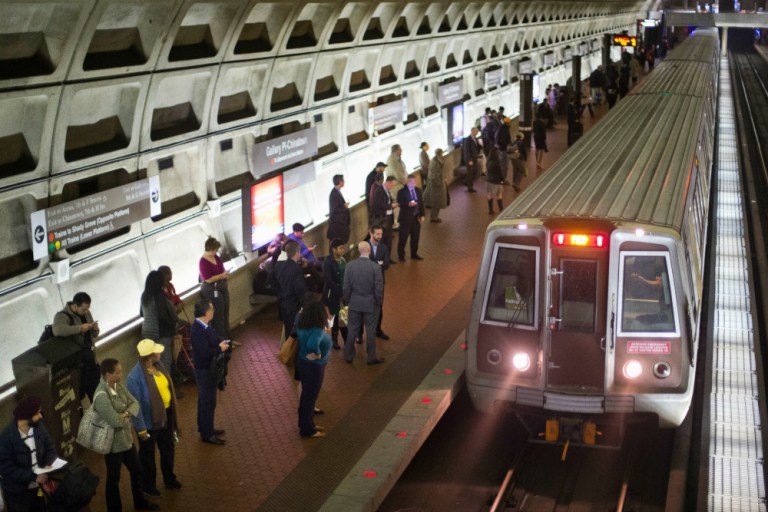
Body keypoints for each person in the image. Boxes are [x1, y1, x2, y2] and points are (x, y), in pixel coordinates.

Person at [93, 358, 159, 511]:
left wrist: (125, 414)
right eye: (117, 373)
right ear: (107, 375)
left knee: (137, 470)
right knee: (113, 479)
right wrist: (126, 415)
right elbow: (115, 421)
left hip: (126, 441)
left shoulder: (118, 386)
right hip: (112, 445)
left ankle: (140, 502)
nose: (121, 375)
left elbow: (135, 403)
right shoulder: (102, 396)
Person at [126, 340, 182, 497]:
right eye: (156, 352)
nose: (160, 353)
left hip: (166, 416)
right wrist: (141, 429)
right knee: (148, 455)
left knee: (168, 448)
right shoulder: (134, 378)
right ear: (149, 357)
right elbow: (135, 407)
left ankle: (169, 478)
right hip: (149, 423)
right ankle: (148, 485)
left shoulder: (159, 366)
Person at [0, 397, 57, 512]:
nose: (40, 416)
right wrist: (34, 477)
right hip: (18, 494)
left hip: (38, 488)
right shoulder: (6, 438)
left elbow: (50, 448)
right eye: (37, 413)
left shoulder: (39, 427)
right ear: (27, 415)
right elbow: (6, 469)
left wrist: (47, 465)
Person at [190, 301, 229, 445]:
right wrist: (219, 349)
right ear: (206, 312)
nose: (213, 311)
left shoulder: (206, 326)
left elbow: (214, 339)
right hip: (205, 369)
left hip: (208, 368)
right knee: (208, 401)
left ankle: (205, 427)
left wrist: (222, 342)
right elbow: (204, 352)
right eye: (212, 309)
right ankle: (207, 434)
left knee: (204, 399)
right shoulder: (197, 329)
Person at [52, 291, 100, 402]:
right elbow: (58, 330)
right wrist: (79, 328)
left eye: (88, 309)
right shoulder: (62, 316)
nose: (86, 312)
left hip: (91, 359)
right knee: (79, 397)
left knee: (97, 393)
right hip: (78, 364)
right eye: (83, 309)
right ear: (75, 306)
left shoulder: (87, 313)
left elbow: (94, 335)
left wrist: (95, 329)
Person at [295, 300, 333, 438]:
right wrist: (317, 354)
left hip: (303, 362)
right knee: (310, 397)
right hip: (314, 366)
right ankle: (307, 429)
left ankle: (307, 423)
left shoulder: (302, 324)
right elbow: (312, 344)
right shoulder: (316, 329)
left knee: (306, 396)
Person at [343, 242, 384, 365]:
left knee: (352, 330)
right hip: (370, 304)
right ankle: (371, 357)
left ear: (359, 251)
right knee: (370, 331)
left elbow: (346, 287)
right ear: (369, 250)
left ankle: (349, 355)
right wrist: (378, 302)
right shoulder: (375, 267)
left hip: (354, 302)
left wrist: (348, 300)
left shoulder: (349, 266)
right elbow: (378, 288)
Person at [140, 270, 178, 373]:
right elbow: (163, 316)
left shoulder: (144, 296)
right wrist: (173, 323)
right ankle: (165, 386)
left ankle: (154, 386)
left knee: (150, 363)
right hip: (160, 333)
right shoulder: (160, 296)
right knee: (165, 362)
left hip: (146, 332)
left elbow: (141, 313)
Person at [273, 240, 308, 339]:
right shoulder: (296, 269)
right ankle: (294, 353)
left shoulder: (279, 265)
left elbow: (274, 281)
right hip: (294, 304)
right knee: (295, 332)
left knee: (288, 330)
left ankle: (289, 350)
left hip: (283, 303)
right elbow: (300, 289)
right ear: (297, 253)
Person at [198, 236, 230, 338]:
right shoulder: (202, 261)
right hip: (212, 290)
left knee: (225, 313)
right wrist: (221, 276)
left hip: (222, 287)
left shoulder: (216, 257)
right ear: (210, 249)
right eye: (215, 250)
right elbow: (208, 279)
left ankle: (229, 338)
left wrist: (224, 275)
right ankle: (222, 340)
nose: (216, 252)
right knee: (218, 316)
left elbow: (222, 269)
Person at [366, 224, 390, 340]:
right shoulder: (364, 246)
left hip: (379, 283)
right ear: (371, 233)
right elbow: (363, 264)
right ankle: (360, 334)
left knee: (379, 307)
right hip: (366, 282)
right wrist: (378, 263)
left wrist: (375, 264)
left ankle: (378, 330)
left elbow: (386, 264)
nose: (380, 236)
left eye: (381, 234)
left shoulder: (384, 247)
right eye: (378, 234)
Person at [322, 239, 347, 349]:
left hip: (344, 293)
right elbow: (328, 279)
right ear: (333, 249)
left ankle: (347, 340)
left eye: (343, 247)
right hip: (333, 294)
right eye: (340, 248)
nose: (343, 250)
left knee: (344, 317)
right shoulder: (328, 262)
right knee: (335, 317)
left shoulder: (343, 260)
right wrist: (338, 291)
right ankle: (334, 339)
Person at [396, 173, 425, 262]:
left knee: (415, 237)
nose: (414, 183)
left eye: (415, 182)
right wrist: (408, 204)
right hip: (405, 219)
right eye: (412, 182)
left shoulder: (418, 190)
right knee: (403, 238)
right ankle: (401, 255)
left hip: (416, 218)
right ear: (408, 182)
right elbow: (399, 203)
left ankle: (414, 253)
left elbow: (421, 203)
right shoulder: (401, 192)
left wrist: (422, 214)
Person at [370, 175, 398, 263]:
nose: (393, 187)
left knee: (389, 240)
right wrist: (391, 206)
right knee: (382, 240)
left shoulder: (387, 190)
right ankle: (379, 259)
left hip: (388, 218)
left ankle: (387, 258)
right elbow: (377, 206)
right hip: (382, 219)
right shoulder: (379, 191)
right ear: (388, 182)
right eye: (392, 185)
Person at [425, 148, 448, 223]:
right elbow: (434, 175)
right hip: (436, 186)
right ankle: (433, 217)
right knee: (435, 202)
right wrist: (440, 183)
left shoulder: (436, 160)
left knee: (437, 202)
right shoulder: (434, 162)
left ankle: (435, 216)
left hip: (438, 185)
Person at [326, 175, 350, 244]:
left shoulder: (337, 192)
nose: (344, 182)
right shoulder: (334, 194)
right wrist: (344, 207)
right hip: (337, 226)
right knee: (335, 245)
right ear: (340, 182)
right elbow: (335, 209)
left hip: (340, 224)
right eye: (343, 180)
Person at [486, 146, 505, 214]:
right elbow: (500, 173)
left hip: (489, 180)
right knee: (499, 194)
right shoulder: (497, 163)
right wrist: (502, 180)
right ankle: (501, 209)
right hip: (496, 181)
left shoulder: (488, 161)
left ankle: (490, 210)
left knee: (489, 194)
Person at [462, 127, 481, 192]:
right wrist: (469, 160)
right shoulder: (468, 140)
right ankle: (470, 187)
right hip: (470, 159)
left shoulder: (475, 138)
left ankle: (466, 181)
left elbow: (477, 147)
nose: (477, 133)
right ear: (472, 131)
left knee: (474, 171)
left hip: (474, 158)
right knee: (470, 173)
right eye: (476, 132)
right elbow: (466, 151)